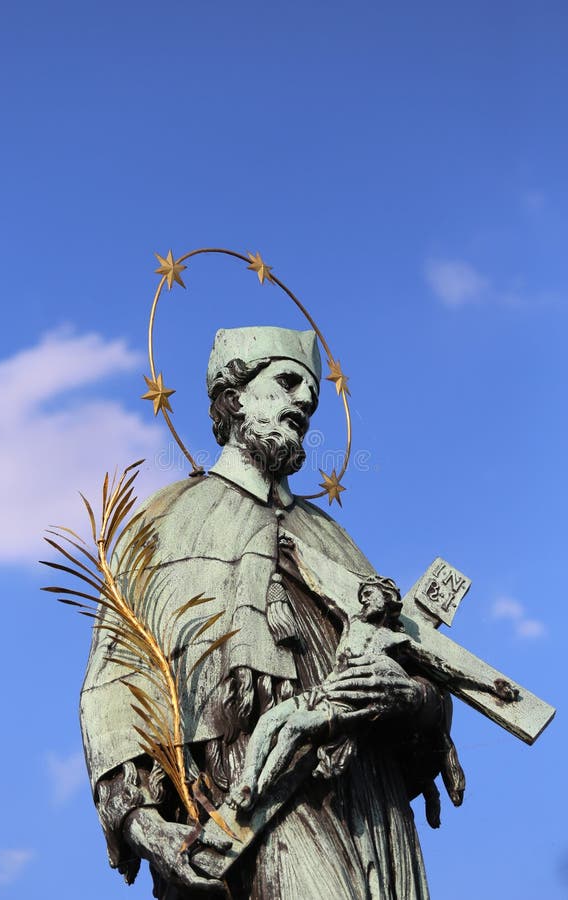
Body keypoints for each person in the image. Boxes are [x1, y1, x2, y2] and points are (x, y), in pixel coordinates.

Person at [80, 326, 456, 899]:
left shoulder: (334, 538)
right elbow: (115, 688)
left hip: (373, 799)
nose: (304, 401)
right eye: (285, 383)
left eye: (311, 392)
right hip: (255, 803)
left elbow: (415, 669)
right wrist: (148, 828)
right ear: (234, 396)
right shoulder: (164, 525)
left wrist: (414, 700)